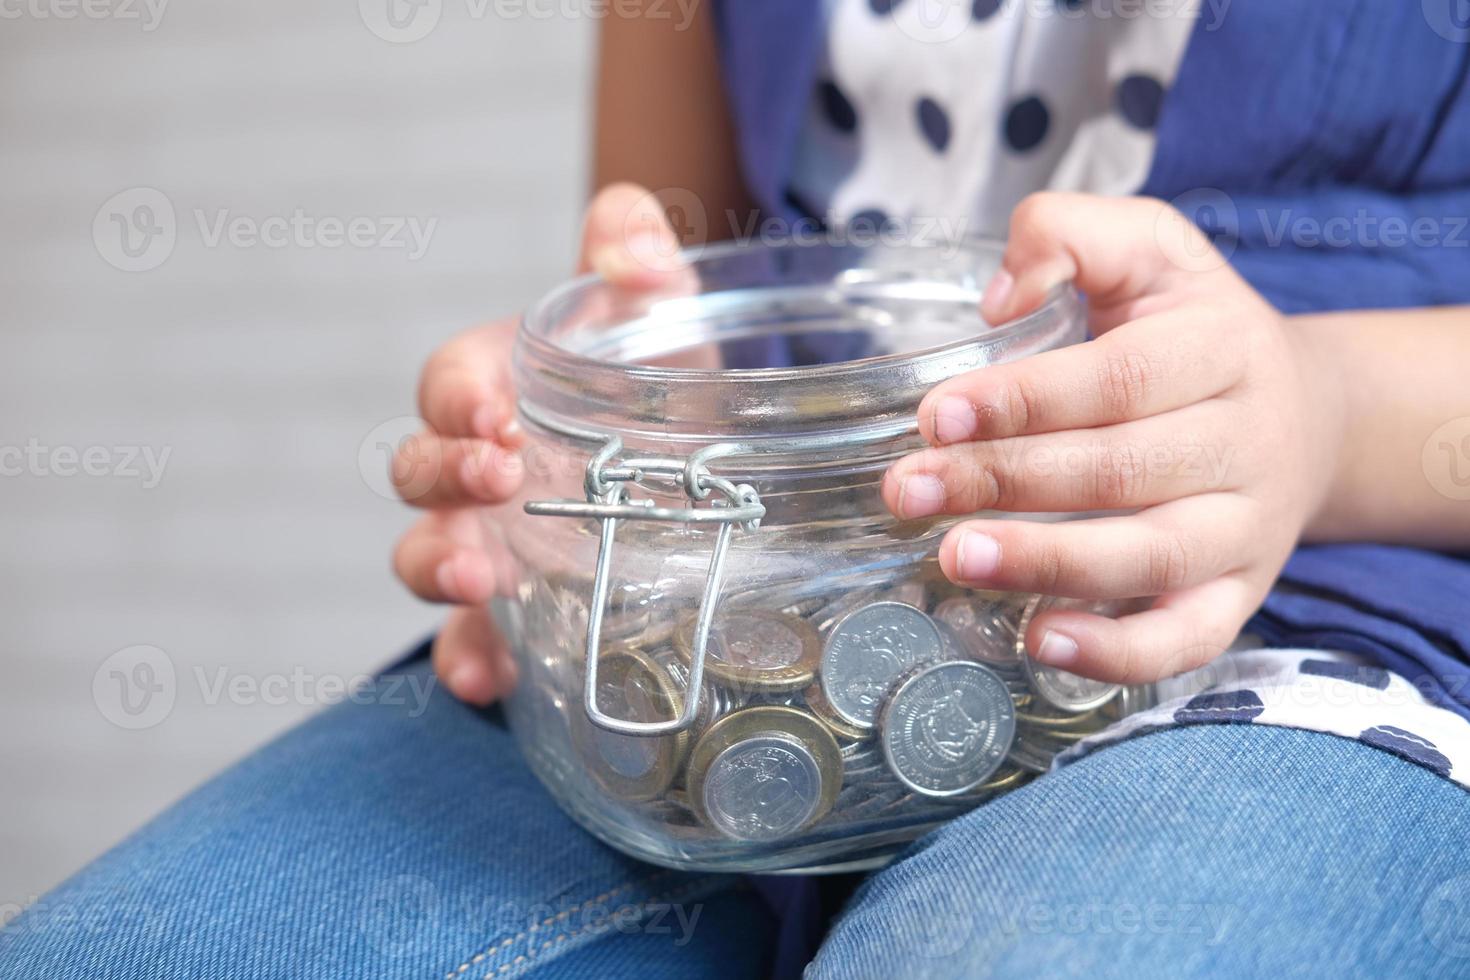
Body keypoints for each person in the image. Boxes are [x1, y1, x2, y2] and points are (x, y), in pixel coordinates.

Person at [6, 3, 1470, 977]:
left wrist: (1322, 412)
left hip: (1327, 627)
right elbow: (655, 264)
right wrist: (585, 429)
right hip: (725, 643)